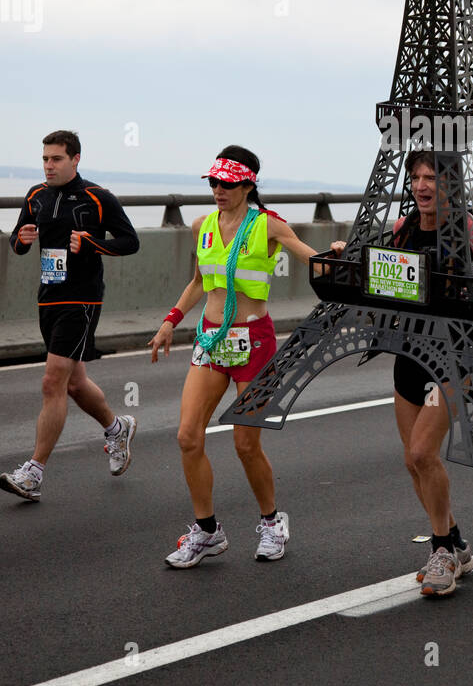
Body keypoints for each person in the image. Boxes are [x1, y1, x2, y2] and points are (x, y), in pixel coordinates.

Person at [149, 147, 329, 568]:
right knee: (187, 436)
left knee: (245, 442)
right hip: (211, 341)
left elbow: (307, 255)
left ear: (248, 185)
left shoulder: (267, 225)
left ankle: (271, 522)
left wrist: (337, 258)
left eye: (227, 184)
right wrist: (170, 321)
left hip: (254, 341)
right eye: (213, 183)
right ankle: (207, 532)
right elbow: (199, 281)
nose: (218, 191)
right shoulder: (202, 226)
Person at [389, 150, 473, 597]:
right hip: (409, 353)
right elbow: (380, 275)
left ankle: (442, 550)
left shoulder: (470, 230)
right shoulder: (403, 230)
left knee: (425, 452)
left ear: (452, 186)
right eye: (418, 177)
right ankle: (457, 542)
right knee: (412, 460)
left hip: (453, 357)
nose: (424, 186)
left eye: (434, 178)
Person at [1, 131, 140, 502]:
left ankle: (33, 472)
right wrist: (22, 240)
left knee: (52, 381)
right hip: (48, 297)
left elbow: (130, 241)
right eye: (45, 159)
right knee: (75, 383)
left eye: (56, 159)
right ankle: (117, 428)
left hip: (82, 299)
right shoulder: (36, 196)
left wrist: (93, 244)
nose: (49, 165)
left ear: (75, 159)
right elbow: (17, 240)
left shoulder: (98, 198)